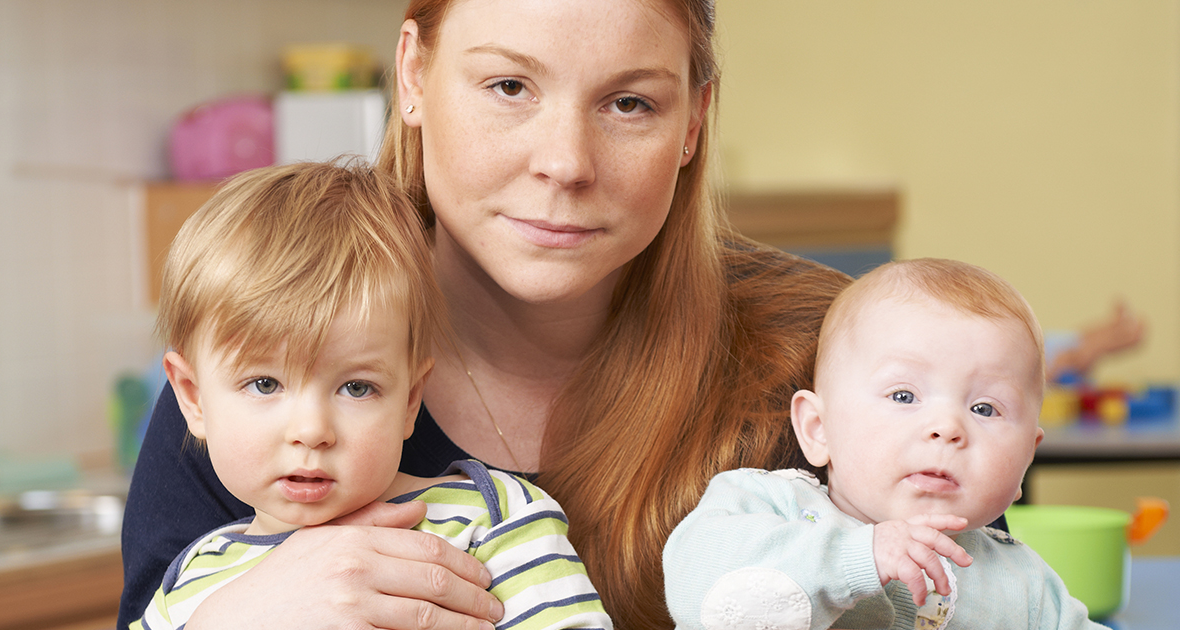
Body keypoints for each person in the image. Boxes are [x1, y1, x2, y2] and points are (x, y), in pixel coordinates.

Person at [118, 1, 851, 628]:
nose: (566, 162)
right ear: (413, 74)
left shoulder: (839, 363)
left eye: (629, 103)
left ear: (693, 119)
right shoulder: (256, 363)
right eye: (509, 86)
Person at [130, 160, 611, 630]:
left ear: (409, 400)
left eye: (356, 388)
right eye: (265, 384)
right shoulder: (187, 589)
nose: (312, 431)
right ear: (192, 398)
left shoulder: (492, 517)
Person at [663, 259, 1106, 630]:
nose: (947, 427)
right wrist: (856, 558)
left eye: (985, 408)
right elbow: (700, 593)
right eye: (904, 396)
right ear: (818, 428)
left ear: (1026, 458)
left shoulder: (1025, 585)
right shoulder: (768, 504)